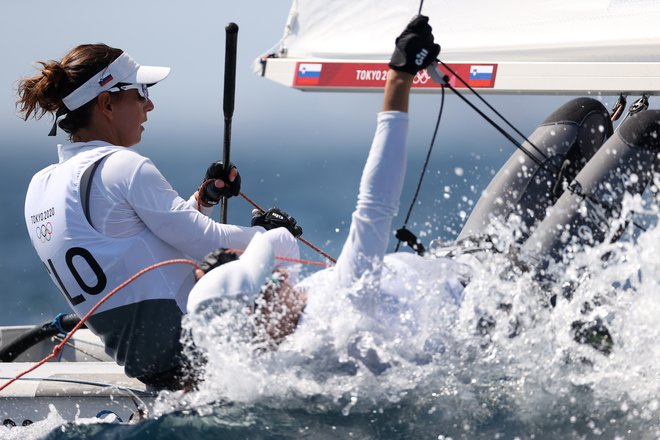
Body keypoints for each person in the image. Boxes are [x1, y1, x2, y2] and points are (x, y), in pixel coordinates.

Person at [188, 16, 660, 369]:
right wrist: (398, 80)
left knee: (579, 118)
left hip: (470, 258)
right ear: (261, 319)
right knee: (645, 131)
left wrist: (267, 239)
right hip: (510, 295)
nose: (281, 280)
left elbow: (290, 262)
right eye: (271, 284)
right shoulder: (339, 314)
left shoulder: (283, 331)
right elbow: (375, 205)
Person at [17, 44, 301, 390]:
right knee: (280, 245)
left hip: (146, 365)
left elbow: (135, 245)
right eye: (141, 93)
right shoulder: (124, 165)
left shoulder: (39, 187)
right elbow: (204, 240)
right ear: (106, 103)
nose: (149, 104)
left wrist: (203, 199)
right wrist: (268, 233)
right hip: (191, 354)